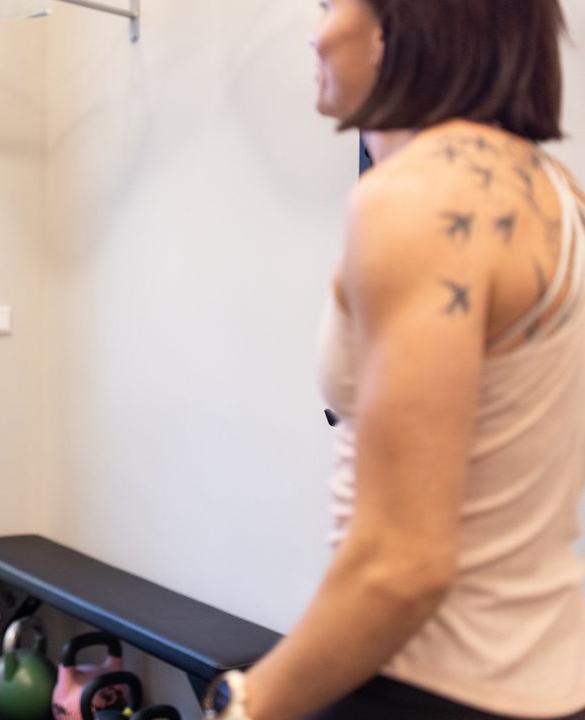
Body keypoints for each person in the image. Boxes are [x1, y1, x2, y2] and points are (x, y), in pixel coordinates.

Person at [203, 2, 585, 719]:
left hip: (427, 683)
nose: (316, 34)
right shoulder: (557, 193)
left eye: (328, 6)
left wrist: (245, 706)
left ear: (398, 25)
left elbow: (402, 568)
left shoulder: (417, 199)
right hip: (545, 683)